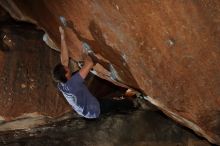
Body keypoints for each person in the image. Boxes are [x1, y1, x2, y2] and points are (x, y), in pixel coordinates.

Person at [52, 26, 135, 119]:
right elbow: (90, 63)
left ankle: (120, 105)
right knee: (117, 104)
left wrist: (62, 36)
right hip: (94, 110)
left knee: (106, 101)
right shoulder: (73, 84)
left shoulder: (62, 83)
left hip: (87, 105)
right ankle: (133, 106)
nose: (67, 65)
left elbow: (64, 60)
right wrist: (84, 53)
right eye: (66, 68)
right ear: (66, 73)